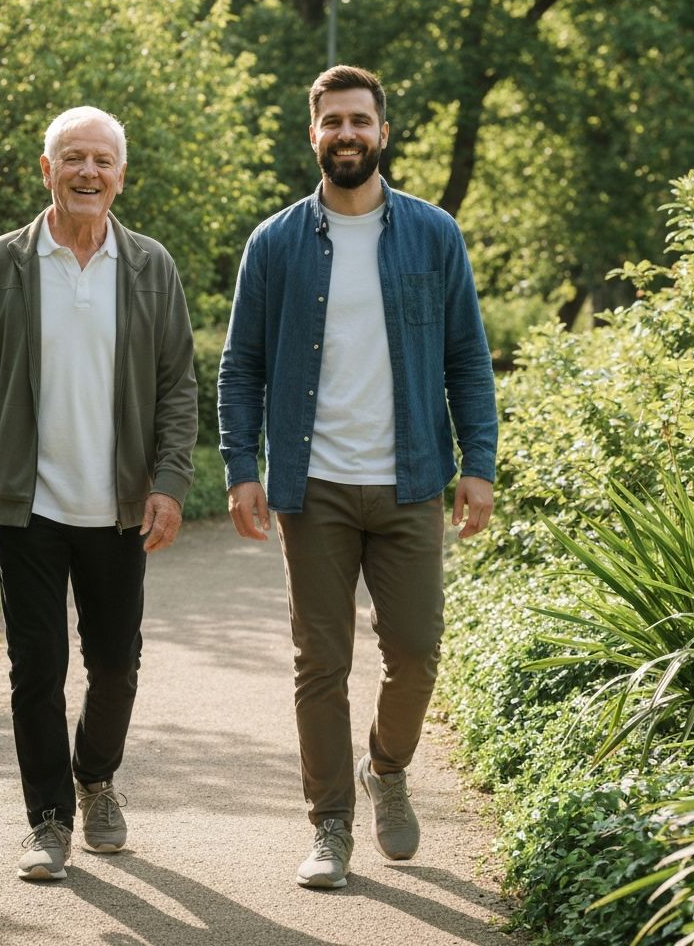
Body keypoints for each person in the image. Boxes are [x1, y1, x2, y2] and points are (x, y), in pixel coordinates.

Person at [218, 65, 498, 889]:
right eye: (332, 121)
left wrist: (477, 464)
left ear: (383, 132)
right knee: (321, 662)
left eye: (360, 121)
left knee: (415, 653)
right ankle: (330, 826)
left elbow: (466, 360)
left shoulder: (432, 234)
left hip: (411, 478)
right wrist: (242, 469)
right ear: (314, 134)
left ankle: (388, 766)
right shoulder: (274, 244)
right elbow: (242, 367)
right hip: (316, 488)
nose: (347, 134)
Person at [0, 106, 197, 881]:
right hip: (28, 505)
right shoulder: (2, 263)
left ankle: (95, 778)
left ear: (121, 175)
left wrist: (171, 482)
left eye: (103, 161)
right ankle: (48, 820)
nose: (89, 172)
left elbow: (177, 387)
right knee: (36, 667)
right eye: (73, 158)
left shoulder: (151, 266)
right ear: (45, 168)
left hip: (119, 507)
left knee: (116, 664)